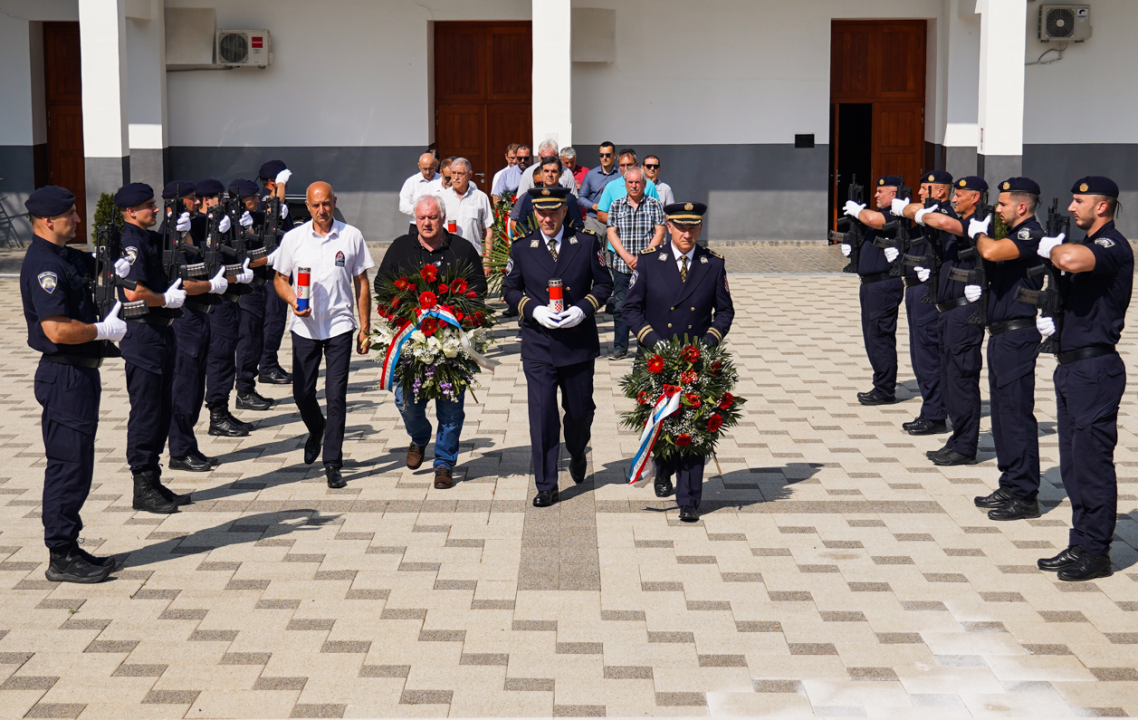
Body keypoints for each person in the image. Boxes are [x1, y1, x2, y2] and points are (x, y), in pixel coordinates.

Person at [21, 186, 128, 583]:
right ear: (48, 220)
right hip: (64, 373)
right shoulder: (43, 265)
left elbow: (100, 264)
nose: (77, 220)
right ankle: (60, 554)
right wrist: (101, 329)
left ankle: (69, 542)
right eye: (71, 215)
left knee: (79, 463)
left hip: (79, 373)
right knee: (67, 465)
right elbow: (56, 329)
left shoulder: (64, 256)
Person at [1035, 176, 1132, 581]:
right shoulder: (1088, 244)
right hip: (1072, 366)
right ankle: (1080, 542)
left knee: (1092, 465)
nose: (1073, 208)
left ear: (1103, 207)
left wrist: (1051, 247)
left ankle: (1097, 553)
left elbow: (1071, 260)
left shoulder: (1112, 245)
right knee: (1074, 466)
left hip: (1095, 369)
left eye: (1080, 201)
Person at [621, 202, 734, 522]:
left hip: (695, 360)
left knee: (695, 428)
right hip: (657, 359)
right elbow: (630, 309)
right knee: (663, 420)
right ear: (668, 226)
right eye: (680, 227)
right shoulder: (648, 263)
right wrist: (651, 340)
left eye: (693, 227)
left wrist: (708, 342)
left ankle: (689, 500)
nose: (687, 233)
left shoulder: (711, 264)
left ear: (700, 228)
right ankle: (663, 466)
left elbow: (725, 310)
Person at [503, 187, 613, 507]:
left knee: (579, 412)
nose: (547, 218)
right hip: (539, 343)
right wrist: (531, 309)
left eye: (553, 212)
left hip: (577, 343)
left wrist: (583, 308)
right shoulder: (523, 248)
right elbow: (510, 288)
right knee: (543, 416)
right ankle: (546, 484)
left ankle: (577, 450)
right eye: (541, 212)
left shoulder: (587, 243)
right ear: (534, 213)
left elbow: (604, 283)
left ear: (565, 212)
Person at [376, 195, 488, 489]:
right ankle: (419, 437)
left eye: (433, 217)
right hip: (411, 342)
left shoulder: (461, 248)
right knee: (406, 401)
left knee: (451, 406)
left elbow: (478, 286)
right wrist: (403, 308)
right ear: (416, 219)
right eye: (422, 217)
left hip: (450, 342)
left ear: (443, 218)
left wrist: (455, 311)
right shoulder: (402, 247)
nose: (427, 223)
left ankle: (444, 463)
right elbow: (382, 285)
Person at [273, 182, 374, 489]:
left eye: (327, 204)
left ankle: (332, 462)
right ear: (307, 205)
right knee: (302, 393)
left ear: (334, 202)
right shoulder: (294, 239)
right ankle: (317, 429)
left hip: (340, 326)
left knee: (336, 396)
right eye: (316, 205)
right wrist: (293, 301)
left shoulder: (351, 236)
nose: (322, 210)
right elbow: (280, 279)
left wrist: (365, 328)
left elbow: (362, 284)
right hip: (305, 327)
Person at [960, 177, 1045, 518]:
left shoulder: (1030, 234)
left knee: (1015, 415)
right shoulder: (1012, 233)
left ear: (1021, 206)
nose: (998, 209)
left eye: (1003, 204)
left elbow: (991, 251)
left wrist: (978, 232)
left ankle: (1025, 494)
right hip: (1001, 336)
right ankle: (1011, 482)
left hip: (1016, 335)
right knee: (1001, 415)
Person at [115, 183, 190, 514]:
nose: (155, 210)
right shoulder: (130, 241)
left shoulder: (146, 237)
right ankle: (142, 485)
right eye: (148, 206)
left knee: (160, 412)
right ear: (131, 211)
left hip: (160, 334)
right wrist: (163, 300)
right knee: (146, 413)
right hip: (144, 337)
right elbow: (134, 292)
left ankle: (153, 479)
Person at [906, 177, 988, 461]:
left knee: (962, 381)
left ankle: (965, 446)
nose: (954, 198)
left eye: (960, 194)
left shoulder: (985, 222)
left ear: (976, 197)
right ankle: (957, 439)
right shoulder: (955, 216)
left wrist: (920, 213)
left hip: (966, 311)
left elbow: (943, 223)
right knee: (950, 379)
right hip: (947, 310)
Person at [167, 182, 240, 473]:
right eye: (192, 199)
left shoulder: (192, 228)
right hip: (184, 320)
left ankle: (187, 445)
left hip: (199, 318)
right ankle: (179, 450)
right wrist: (211, 285)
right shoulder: (169, 236)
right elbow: (182, 279)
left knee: (195, 388)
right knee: (184, 388)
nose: (197, 203)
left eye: (199, 198)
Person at [891, 171, 950, 435]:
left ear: (941, 192)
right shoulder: (925, 215)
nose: (920, 192)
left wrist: (907, 208)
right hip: (915, 290)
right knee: (919, 355)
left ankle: (935, 414)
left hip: (929, 291)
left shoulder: (942, 215)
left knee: (929, 356)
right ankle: (931, 409)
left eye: (927, 188)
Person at [842, 175, 905, 406]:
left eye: (881, 191)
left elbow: (873, 219)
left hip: (884, 285)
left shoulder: (894, 215)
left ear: (894, 194)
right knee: (873, 338)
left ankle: (885, 389)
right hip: (871, 286)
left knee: (880, 337)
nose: (876, 195)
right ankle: (881, 384)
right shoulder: (879, 218)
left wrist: (859, 211)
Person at [203, 179, 256, 438]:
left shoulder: (220, 223)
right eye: (216, 198)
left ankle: (222, 410)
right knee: (220, 360)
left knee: (226, 359)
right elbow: (211, 268)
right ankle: (217, 415)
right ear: (205, 200)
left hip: (230, 303)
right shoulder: (197, 229)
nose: (221, 202)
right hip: (217, 305)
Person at [605, 166, 666, 360]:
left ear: (644, 183)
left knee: (647, 307)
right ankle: (619, 346)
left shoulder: (655, 205)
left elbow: (660, 232)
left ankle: (646, 345)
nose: (633, 185)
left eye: (637, 182)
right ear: (625, 184)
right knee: (621, 306)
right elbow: (611, 232)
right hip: (623, 265)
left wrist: (643, 257)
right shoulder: (616, 205)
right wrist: (626, 256)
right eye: (630, 182)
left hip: (648, 267)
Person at [230, 179, 277, 414]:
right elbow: (241, 260)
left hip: (258, 288)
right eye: (253, 199)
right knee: (248, 341)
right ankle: (244, 391)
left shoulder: (254, 219)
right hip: (245, 292)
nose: (257, 202)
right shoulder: (229, 226)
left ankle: (249, 387)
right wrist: (268, 259)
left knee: (256, 338)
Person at [256, 159, 294, 386]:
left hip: (282, 269)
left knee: (277, 319)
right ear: (273, 181)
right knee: (273, 319)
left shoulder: (279, 201)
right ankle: (267, 366)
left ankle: (271, 362)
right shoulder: (265, 200)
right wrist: (279, 189)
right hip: (271, 273)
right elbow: (271, 209)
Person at [435, 157, 494, 262]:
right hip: (448, 254)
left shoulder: (480, 197)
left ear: (470, 175)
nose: (456, 177)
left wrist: (488, 260)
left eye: (460, 174)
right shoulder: (441, 198)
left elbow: (489, 230)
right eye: (453, 173)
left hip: (473, 255)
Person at [510, 157, 585, 236]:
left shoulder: (568, 198)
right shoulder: (530, 196)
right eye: (546, 171)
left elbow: (578, 226)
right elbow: (521, 223)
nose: (549, 175)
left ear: (560, 174)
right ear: (541, 173)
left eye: (554, 171)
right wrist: (532, 239)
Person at [595, 151, 660, 224]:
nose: (626, 168)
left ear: (637, 164)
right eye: (622, 165)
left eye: (629, 165)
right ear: (619, 167)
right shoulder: (611, 186)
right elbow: (601, 215)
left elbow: (658, 212)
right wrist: (623, 222)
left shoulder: (649, 185)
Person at [578, 142, 621, 236]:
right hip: (593, 220)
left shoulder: (620, 175)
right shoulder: (591, 175)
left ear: (614, 156)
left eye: (607, 155)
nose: (604, 158)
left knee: (611, 250)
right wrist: (592, 205)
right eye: (601, 155)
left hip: (614, 220)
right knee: (592, 249)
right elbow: (581, 197)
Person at [399, 153, 442, 235]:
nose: (427, 172)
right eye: (424, 169)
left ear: (436, 165)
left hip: (438, 226)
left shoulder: (441, 181)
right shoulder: (411, 182)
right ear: (419, 166)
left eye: (431, 169)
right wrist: (422, 213)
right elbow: (403, 206)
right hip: (416, 226)